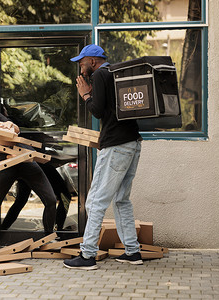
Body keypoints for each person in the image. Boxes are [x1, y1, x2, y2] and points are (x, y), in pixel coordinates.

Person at [63, 44, 143, 270]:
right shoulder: (115, 74)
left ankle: (87, 255)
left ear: (92, 60)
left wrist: (85, 94)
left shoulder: (99, 75)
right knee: (121, 199)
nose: (80, 65)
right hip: (133, 143)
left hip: (116, 146)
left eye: (82, 61)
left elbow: (97, 110)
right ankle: (132, 252)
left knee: (95, 201)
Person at [0, 95, 57, 253]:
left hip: (25, 161)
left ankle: (49, 235)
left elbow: (17, 130)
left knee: (51, 199)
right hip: (5, 167)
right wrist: (9, 155)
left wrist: (10, 125)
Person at [0, 162, 72, 231]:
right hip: (38, 165)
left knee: (21, 200)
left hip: (26, 166)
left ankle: (3, 228)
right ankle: (57, 230)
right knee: (64, 196)